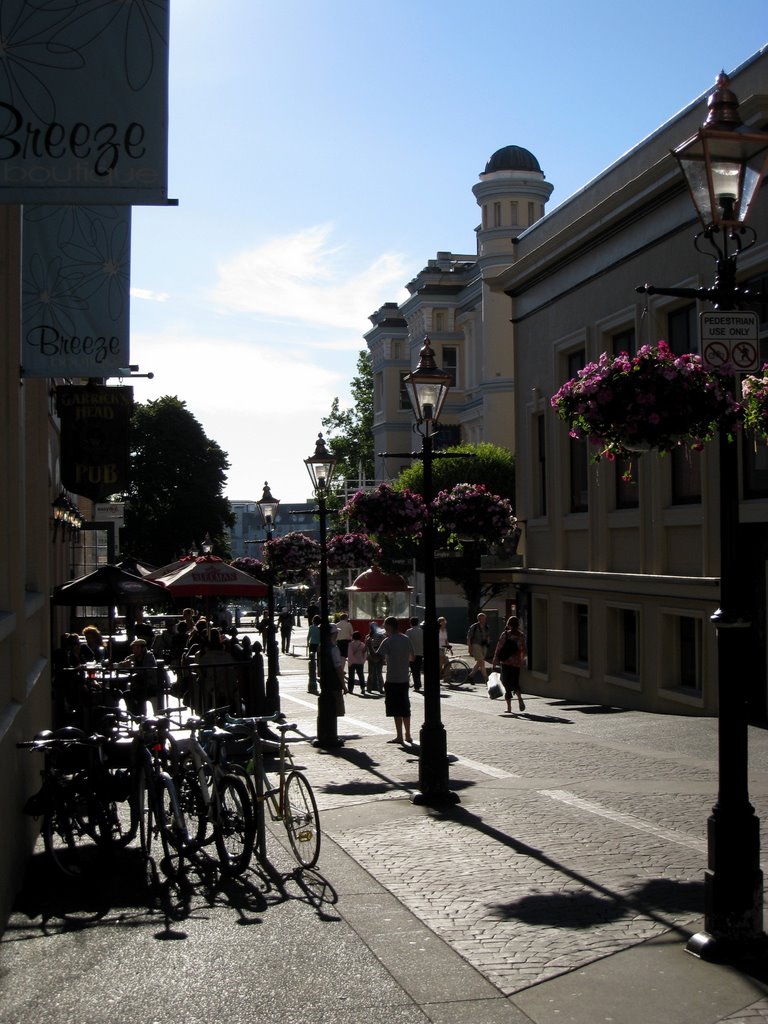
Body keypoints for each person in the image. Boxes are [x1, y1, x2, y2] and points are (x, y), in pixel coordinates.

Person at [376, 616, 414, 744]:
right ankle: (408, 734)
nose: (384, 628)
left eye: (385, 626)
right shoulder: (406, 639)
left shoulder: (388, 641)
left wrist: (369, 645)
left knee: (395, 709)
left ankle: (399, 736)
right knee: (405, 707)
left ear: (389, 627)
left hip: (392, 679)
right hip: (404, 678)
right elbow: (412, 658)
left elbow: (376, 657)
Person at [492, 615, 527, 713]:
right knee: (515, 682)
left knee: (506, 683)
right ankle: (519, 698)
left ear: (509, 625)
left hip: (506, 662)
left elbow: (498, 648)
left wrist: (495, 660)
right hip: (516, 663)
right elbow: (523, 650)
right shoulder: (521, 636)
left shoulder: (505, 634)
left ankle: (509, 708)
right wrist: (522, 662)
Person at [117, 637, 158, 715]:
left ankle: (141, 715)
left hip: (150, 686)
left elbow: (149, 672)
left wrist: (133, 669)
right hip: (137, 687)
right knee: (126, 694)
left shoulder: (149, 657)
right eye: (133, 648)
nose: (134, 650)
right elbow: (121, 664)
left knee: (140, 695)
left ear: (143, 649)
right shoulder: (132, 657)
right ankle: (134, 715)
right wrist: (123, 664)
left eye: (137, 648)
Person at [467, 612, 491, 684]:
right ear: (478, 619)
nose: (482, 620)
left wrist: (488, 644)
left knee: (479, 662)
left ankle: (470, 676)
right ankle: (486, 679)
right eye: (481, 618)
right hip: (476, 645)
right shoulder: (474, 627)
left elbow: (488, 636)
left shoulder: (486, 626)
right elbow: (468, 638)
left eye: (484, 618)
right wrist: (469, 648)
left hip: (484, 646)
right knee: (481, 662)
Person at [405, 617, 423, 691]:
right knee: (418, 670)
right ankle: (418, 684)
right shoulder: (421, 631)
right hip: (420, 652)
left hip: (411, 653)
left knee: (413, 670)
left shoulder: (408, 631)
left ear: (410, 623)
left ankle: (417, 685)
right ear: (418, 623)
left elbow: (406, 643)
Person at [346, 630, 367, 694]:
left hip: (352, 662)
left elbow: (350, 654)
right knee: (361, 676)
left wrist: (349, 663)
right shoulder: (362, 644)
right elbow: (365, 653)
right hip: (360, 662)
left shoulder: (350, 644)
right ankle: (363, 688)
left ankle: (350, 689)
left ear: (353, 637)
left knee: (351, 676)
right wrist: (363, 661)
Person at [306, 614, 321, 694]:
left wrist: (307, 643)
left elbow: (309, 636)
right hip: (318, 644)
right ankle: (319, 672)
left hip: (312, 643)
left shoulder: (311, 627)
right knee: (319, 659)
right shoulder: (319, 628)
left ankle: (311, 671)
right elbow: (320, 637)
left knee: (311, 658)